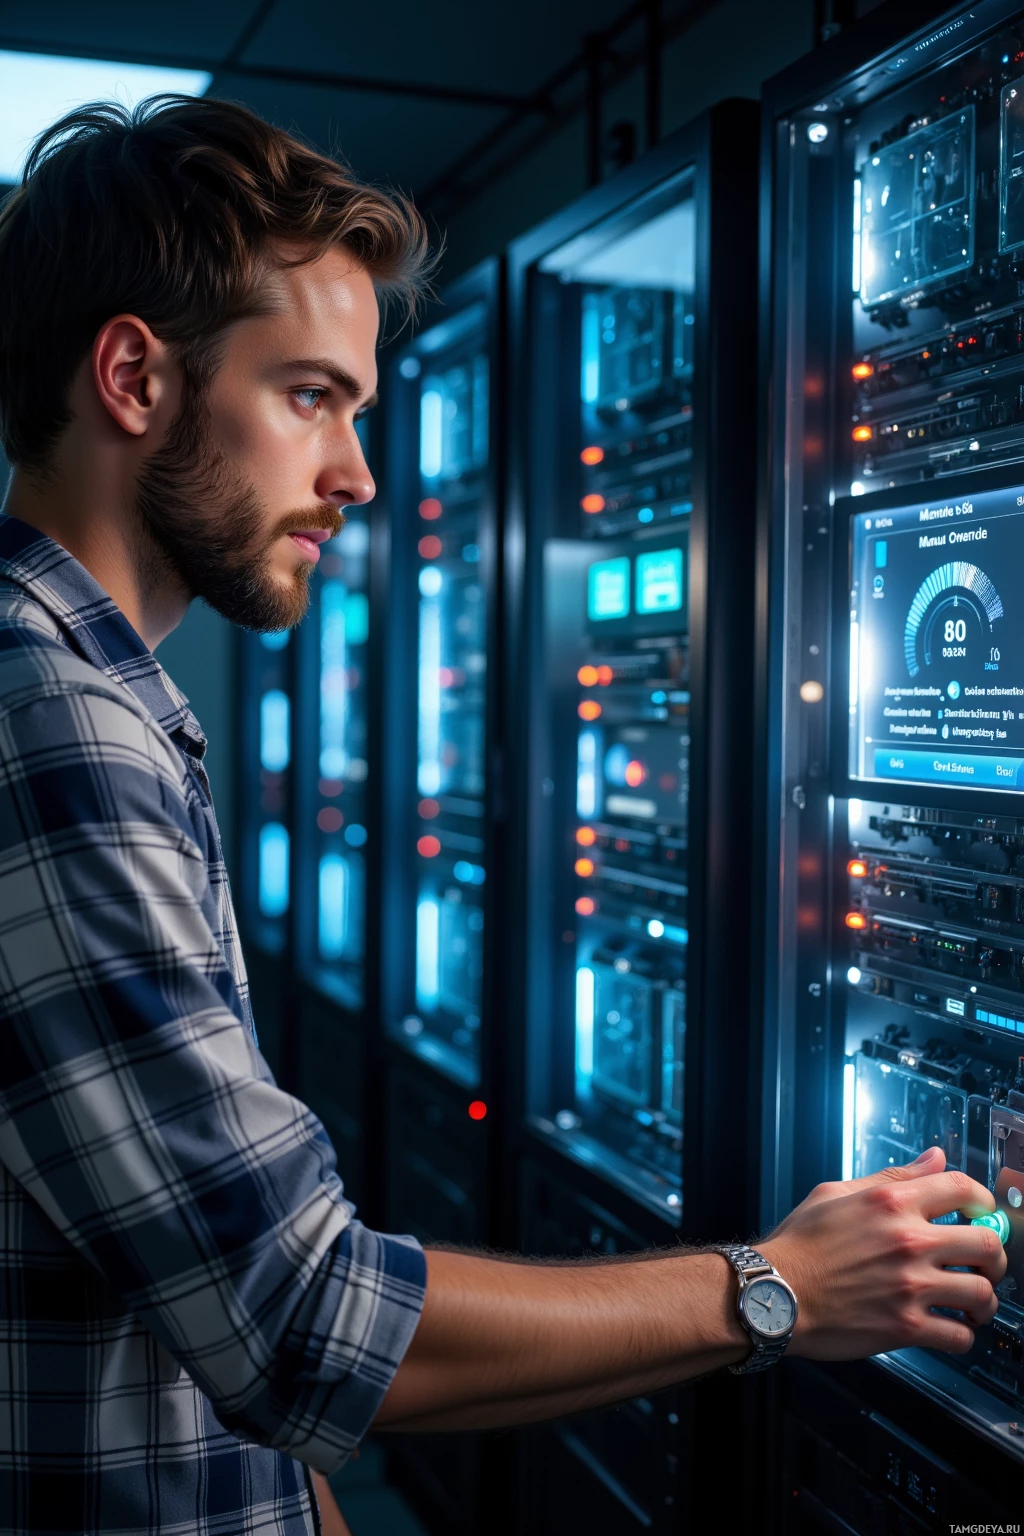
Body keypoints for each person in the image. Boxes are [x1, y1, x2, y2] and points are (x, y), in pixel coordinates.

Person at [0, 96, 1005, 1536]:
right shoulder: (57, 726)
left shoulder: (93, 697)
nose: (358, 474)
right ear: (132, 377)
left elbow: (172, 1267)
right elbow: (299, 1317)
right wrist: (775, 1287)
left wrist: (294, 1495)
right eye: (310, 396)